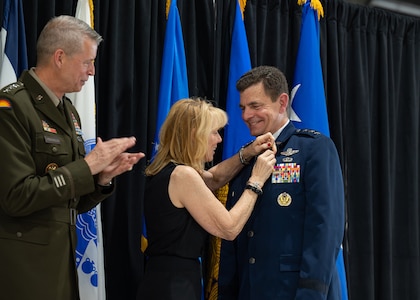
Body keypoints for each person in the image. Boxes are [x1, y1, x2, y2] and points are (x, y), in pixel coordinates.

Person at [0, 15, 145, 300]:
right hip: (23, 271)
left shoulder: (69, 112)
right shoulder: (11, 107)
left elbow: (66, 202)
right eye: (87, 62)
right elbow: (16, 196)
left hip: (61, 267)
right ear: (59, 57)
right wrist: (87, 166)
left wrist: (101, 178)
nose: (92, 72)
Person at [217, 65, 345, 299]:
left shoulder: (313, 149)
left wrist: (311, 293)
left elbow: (325, 228)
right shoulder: (245, 159)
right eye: (243, 108)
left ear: (282, 102)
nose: (246, 116)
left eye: (256, 106)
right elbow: (234, 243)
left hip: (294, 291)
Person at [137, 98, 277, 300]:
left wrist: (248, 152)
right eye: (213, 132)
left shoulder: (167, 170)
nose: (219, 139)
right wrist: (256, 180)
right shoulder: (183, 176)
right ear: (196, 135)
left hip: (163, 281)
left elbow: (215, 179)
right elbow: (228, 228)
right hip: (174, 288)